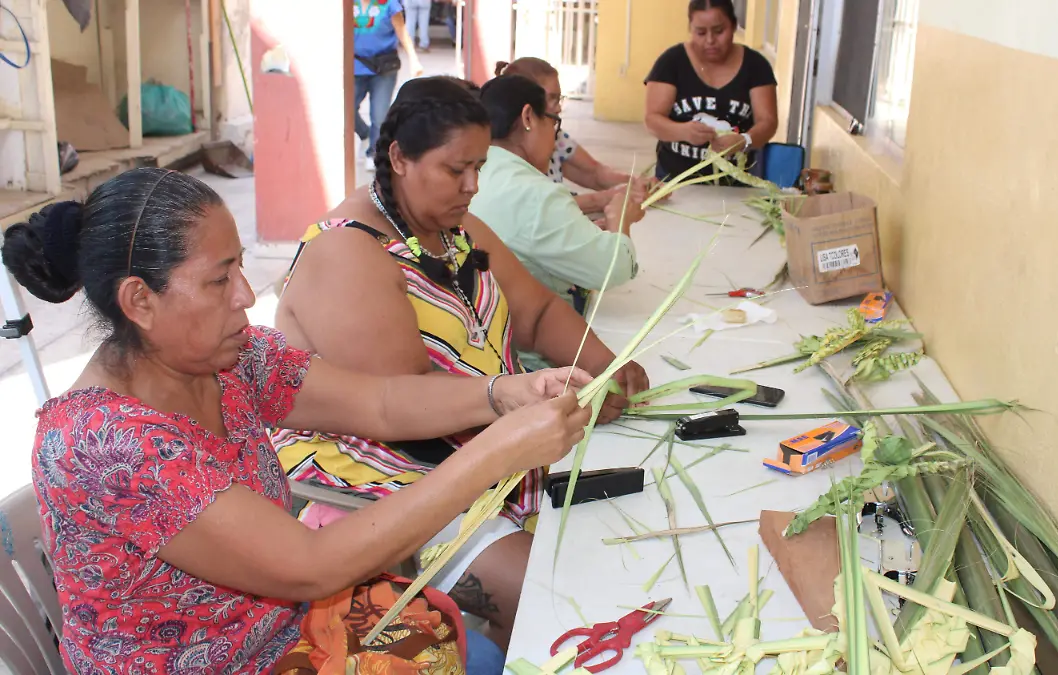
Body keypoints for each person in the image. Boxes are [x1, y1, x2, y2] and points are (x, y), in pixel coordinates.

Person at [0, 167, 591, 672]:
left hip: (276, 638)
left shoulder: (225, 360)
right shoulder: (106, 443)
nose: (245, 294)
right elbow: (311, 567)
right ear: (139, 301)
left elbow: (379, 403)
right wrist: (498, 451)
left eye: (238, 268)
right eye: (218, 279)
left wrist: (502, 394)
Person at [272, 77, 649, 649]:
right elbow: (399, 407)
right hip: (385, 479)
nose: (473, 186)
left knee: (610, 556)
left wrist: (605, 366)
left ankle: (496, 647)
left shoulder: (453, 228)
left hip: (487, 448)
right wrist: (511, 400)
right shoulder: (348, 252)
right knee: (551, 597)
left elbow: (539, 311)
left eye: (481, 168)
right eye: (456, 170)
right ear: (399, 157)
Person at [472, 75, 644, 371]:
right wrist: (620, 221)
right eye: (553, 123)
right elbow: (610, 269)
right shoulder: (533, 191)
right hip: (527, 363)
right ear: (529, 117)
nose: (554, 139)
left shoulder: (476, 169)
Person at [495, 58, 659, 216]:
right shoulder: (506, 152)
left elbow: (594, 173)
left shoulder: (555, 138)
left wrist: (635, 183)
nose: (558, 108)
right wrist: (605, 198)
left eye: (559, 99)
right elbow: (544, 207)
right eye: (552, 99)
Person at [644, 0, 779, 182]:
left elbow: (768, 122)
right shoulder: (671, 63)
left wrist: (744, 140)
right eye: (700, 32)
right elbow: (652, 119)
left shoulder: (756, 66)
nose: (710, 41)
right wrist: (683, 131)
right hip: (675, 183)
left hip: (738, 186)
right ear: (690, 29)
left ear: (733, 26)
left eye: (719, 31)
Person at [354, 0, 423, 172]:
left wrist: (413, 59)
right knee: (347, 109)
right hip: (355, 66)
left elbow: (401, 31)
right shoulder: (348, 4)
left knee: (379, 114)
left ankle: (373, 153)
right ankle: (365, 134)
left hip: (383, 67)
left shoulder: (390, 4)